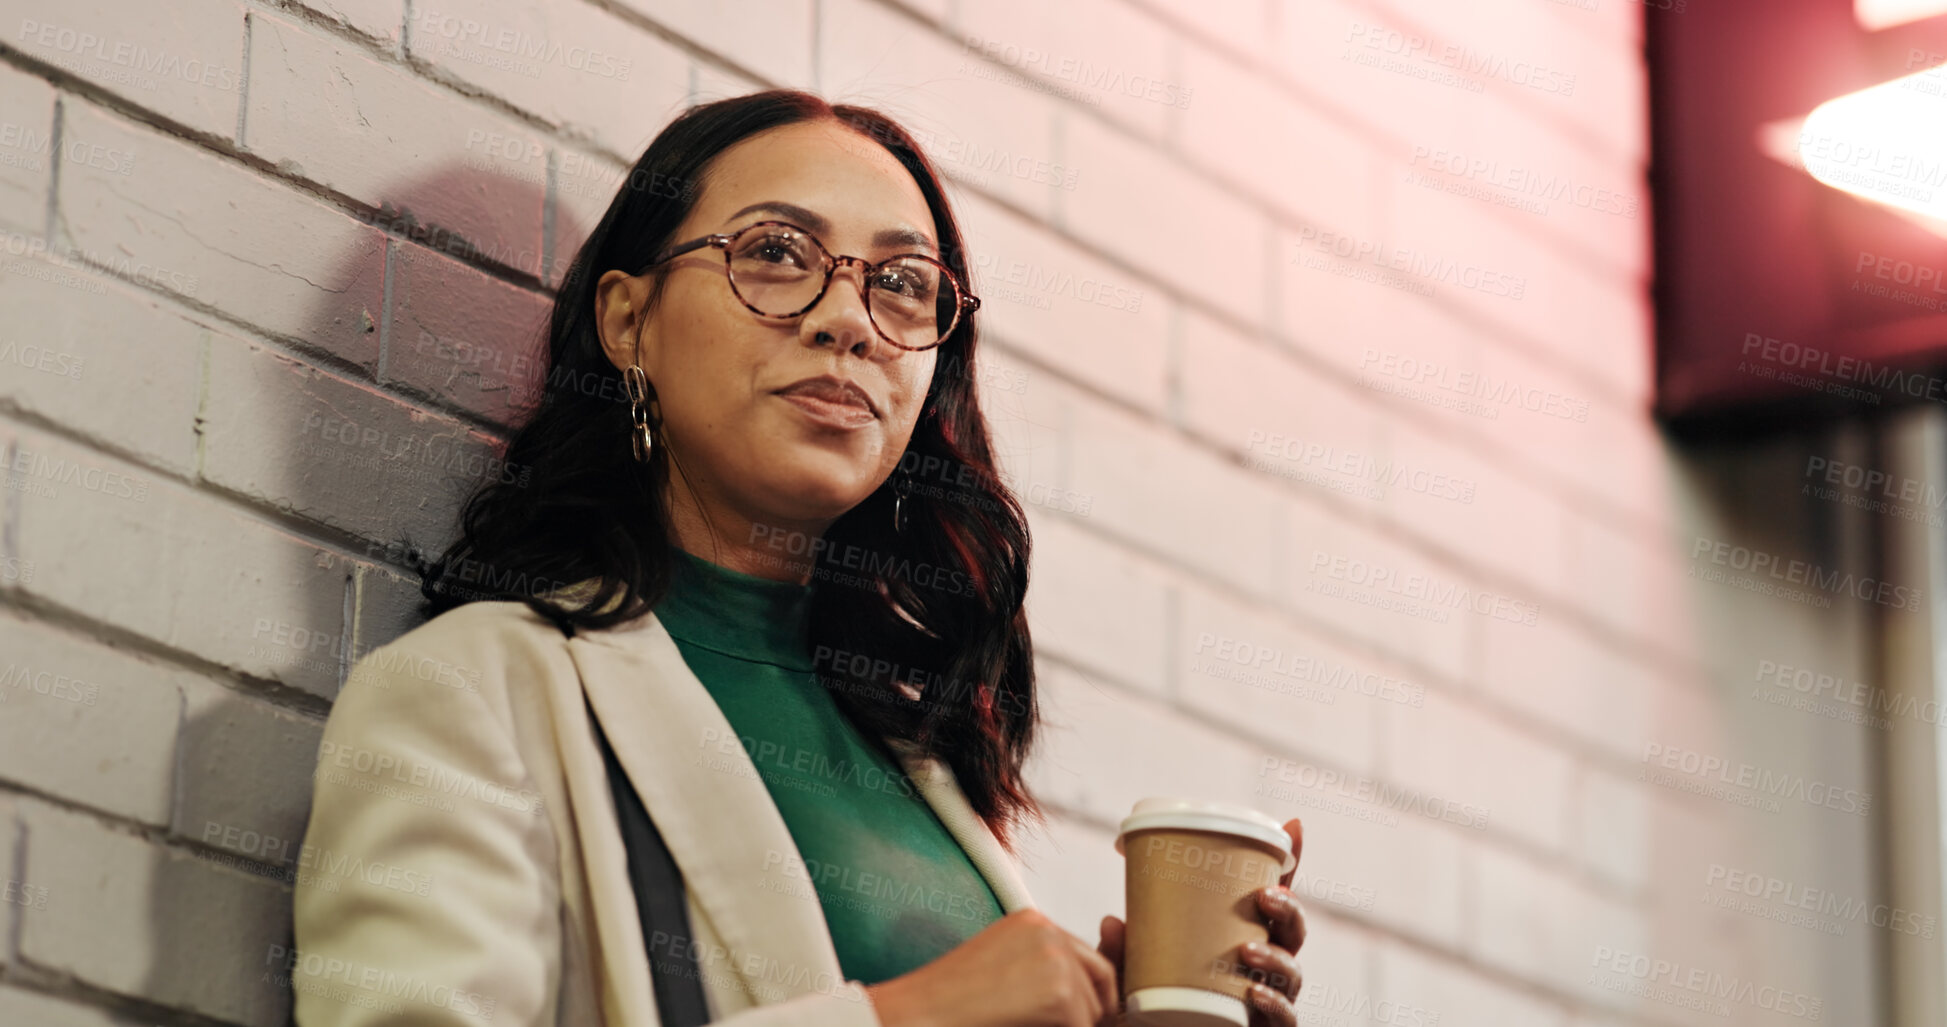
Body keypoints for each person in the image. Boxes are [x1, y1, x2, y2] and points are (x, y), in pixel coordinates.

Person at [290, 88, 1307, 1027]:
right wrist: (901, 1016)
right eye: (777, 253)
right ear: (627, 321)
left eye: (905, 285)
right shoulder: (471, 695)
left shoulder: (915, 750)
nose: (848, 320)